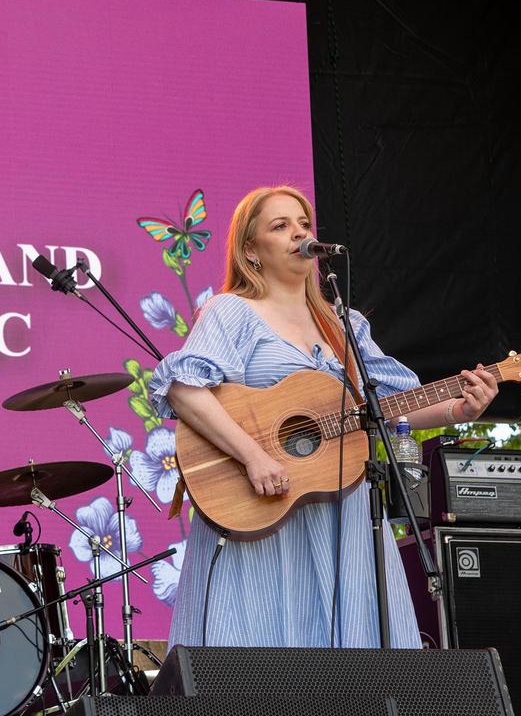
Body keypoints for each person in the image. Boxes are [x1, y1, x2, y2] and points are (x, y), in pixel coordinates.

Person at [148, 185, 498, 648]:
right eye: (280, 226)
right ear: (250, 250)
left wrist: (458, 408)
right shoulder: (231, 311)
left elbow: (389, 405)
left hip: (344, 512)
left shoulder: (345, 324)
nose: (299, 234)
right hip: (263, 507)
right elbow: (184, 388)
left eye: (303, 224)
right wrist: (254, 457)